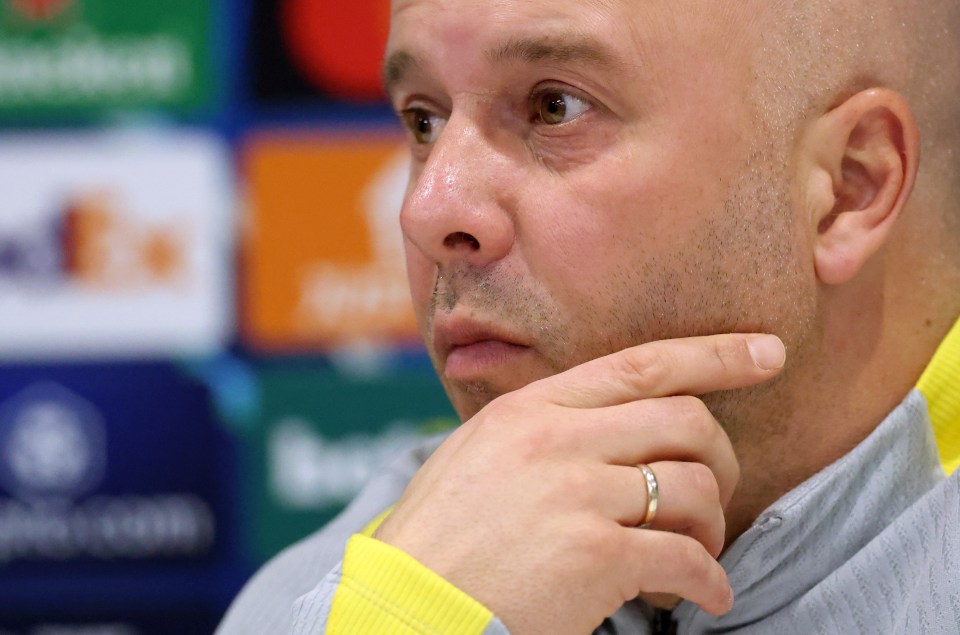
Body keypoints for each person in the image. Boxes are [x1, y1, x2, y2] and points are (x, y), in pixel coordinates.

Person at [218, 0, 960, 632]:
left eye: (554, 107)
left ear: (850, 187)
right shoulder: (338, 592)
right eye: (423, 121)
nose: (426, 208)